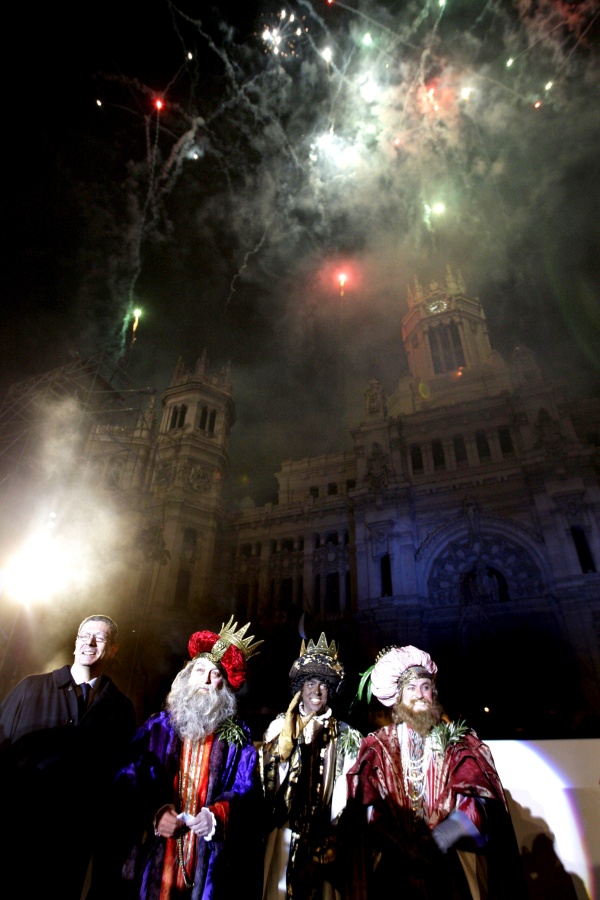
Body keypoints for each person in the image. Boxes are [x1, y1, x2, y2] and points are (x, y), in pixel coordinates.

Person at [344, 644, 528, 899]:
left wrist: (434, 842)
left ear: (434, 694)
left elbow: (474, 805)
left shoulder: (460, 743)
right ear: (397, 698)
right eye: (411, 688)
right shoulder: (377, 746)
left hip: (446, 866)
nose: (420, 694)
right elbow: (366, 807)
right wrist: (401, 845)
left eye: (426, 686)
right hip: (394, 866)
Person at [110, 617, 264, 899]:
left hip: (210, 864)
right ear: (187, 676)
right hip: (156, 854)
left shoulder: (237, 736)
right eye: (200, 670)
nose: (206, 679)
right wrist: (155, 813)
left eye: (214, 673)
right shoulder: (158, 727)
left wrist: (218, 815)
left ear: (224, 684)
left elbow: (248, 790)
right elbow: (127, 778)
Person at [0, 613, 136, 900]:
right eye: (84, 635)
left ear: (113, 650)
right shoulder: (30, 688)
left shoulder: (121, 709)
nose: (90, 642)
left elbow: (121, 779)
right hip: (17, 834)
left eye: (100, 638)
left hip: (73, 844)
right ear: (75, 643)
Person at [258, 632, 362, 900]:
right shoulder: (279, 726)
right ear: (300, 689)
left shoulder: (348, 734)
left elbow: (349, 789)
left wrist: (334, 835)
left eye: (323, 685)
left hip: (326, 839)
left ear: (331, 690)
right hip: (285, 834)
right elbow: (267, 788)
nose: (316, 692)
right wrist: (283, 750)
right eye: (310, 684)